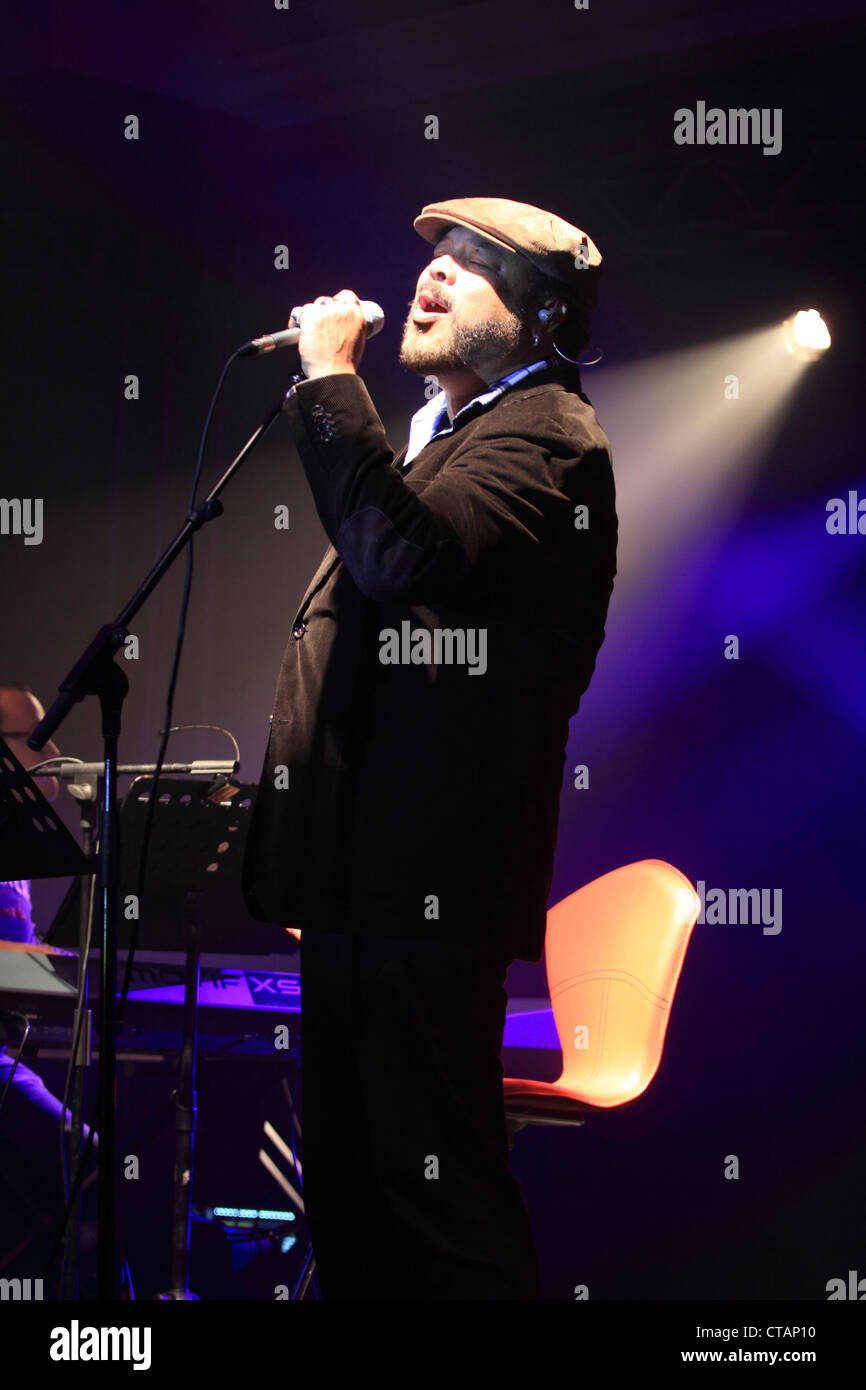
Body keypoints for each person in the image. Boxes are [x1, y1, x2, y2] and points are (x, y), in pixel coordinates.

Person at [242, 197, 618, 1299]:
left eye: (474, 265)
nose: (436, 275)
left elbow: (397, 560)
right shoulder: (445, 436)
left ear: (544, 317)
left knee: (435, 1200)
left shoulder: (548, 435)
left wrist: (326, 384)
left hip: (430, 882)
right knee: (356, 1198)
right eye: (436, 258)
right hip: (366, 877)